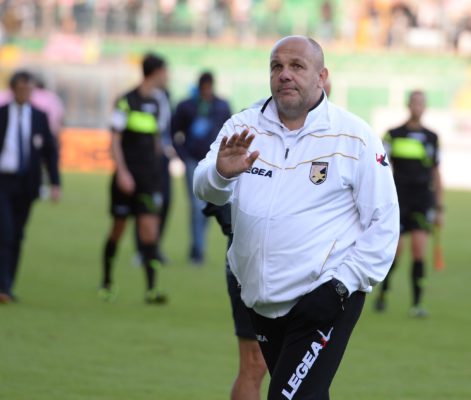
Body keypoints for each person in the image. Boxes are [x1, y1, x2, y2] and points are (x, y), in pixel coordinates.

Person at [194, 36, 399, 399]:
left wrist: (340, 286)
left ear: (321, 76)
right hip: (259, 300)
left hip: (324, 299)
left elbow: (384, 223)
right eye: (277, 66)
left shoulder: (354, 137)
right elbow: (205, 188)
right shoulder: (243, 126)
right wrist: (221, 174)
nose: (284, 74)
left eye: (296, 66)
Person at [0, 70, 60, 304]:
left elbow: (50, 152)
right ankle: (2, 285)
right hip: (0, 181)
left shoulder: (40, 117)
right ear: (13, 89)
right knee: (5, 230)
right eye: (21, 88)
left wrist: (55, 182)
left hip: (27, 184)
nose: (25, 93)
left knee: (18, 234)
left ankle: (9, 284)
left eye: (29, 89)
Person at [99, 53, 170, 304]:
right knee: (118, 229)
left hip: (149, 179)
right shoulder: (126, 101)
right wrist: (122, 172)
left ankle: (151, 289)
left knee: (150, 232)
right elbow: (115, 140)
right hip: (127, 177)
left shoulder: (159, 102)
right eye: (165, 71)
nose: (168, 76)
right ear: (156, 72)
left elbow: (156, 140)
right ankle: (107, 281)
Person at [375, 90, 443, 317]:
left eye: (422, 103)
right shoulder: (393, 134)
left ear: (425, 107)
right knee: (395, 252)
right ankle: (383, 293)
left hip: (422, 200)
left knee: (418, 252)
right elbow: (381, 169)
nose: (418, 107)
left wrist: (439, 207)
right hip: (399, 199)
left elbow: (436, 172)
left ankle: (417, 304)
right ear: (408, 105)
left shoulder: (432, 137)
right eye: (415, 102)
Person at [203, 203, 267, 400]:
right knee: (254, 362)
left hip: (308, 262)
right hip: (250, 259)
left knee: (307, 363)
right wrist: (232, 220)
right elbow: (212, 189)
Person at [173, 71, 232, 265]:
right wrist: (183, 156)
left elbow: (230, 129)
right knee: (197, 205)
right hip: (193, 160)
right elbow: (174, 132)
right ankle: (198, 250)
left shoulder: (222, 106)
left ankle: (197, 246)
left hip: (214, 162)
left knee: (208, 205)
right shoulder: (186, 106)